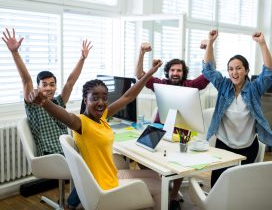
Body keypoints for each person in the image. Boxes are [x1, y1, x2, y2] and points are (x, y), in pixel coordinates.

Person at [28, 57, 163, 210]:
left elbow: (128, 96)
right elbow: (61, 114)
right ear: (85, 100)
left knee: (155, 177)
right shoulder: (80, 122)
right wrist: (44, 102)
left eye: (104, 98)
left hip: (110, 175)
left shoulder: (103, 116)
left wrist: (150, 72)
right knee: (161, 187)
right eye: (95, 98)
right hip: (104, 185)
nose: (101, 102)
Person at [2, 28, 92, 209]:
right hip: (50, 153)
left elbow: (71, 81)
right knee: (87, 168)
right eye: (44, 85)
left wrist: (82, 58)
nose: (49, 88)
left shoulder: (59, 101)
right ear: (38, 86)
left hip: (66, 148)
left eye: (52, 84)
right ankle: (73, 203)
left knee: (95, 159)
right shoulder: (33, 103)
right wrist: (15, 52)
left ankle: (83, 198)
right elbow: (25, 78)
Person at [135, 42, 210, 209]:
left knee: (178, 164)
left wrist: (208, 49)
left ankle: (174, 195)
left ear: (183, 73)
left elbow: (208, 75)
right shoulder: (160, 83)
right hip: (158, 126)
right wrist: (141, 53)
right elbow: (140, 75)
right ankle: (160, 183)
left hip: (183, 131)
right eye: (173, 70)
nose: (175, 73)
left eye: (179, 70)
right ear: (168, 72)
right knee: (140, 153)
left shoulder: (190, 85)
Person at [203, 29, 272, 187]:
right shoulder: (223, 85)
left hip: (248, 146)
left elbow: (268, 73)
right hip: (223, 145)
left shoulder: (254, 89)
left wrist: (262, 43)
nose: (234, 72)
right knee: (218, 185)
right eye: (231, 69)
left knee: (242, 187)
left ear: (246, 70)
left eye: (239, 68)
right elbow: (208, 70)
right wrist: (211, 42)